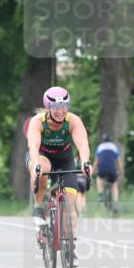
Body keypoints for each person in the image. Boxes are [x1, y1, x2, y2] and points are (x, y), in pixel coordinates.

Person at [24, 86, 92, 228]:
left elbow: (83, 144)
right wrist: (36, 165)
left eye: (64, 106)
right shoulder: (38, 122)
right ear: (48, 107)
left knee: (69, 204)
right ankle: (38, 207)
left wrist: (86, 163)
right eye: (55, 107)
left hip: (64, 159)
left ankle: (69, 246)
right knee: (43, 169)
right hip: (41, 156)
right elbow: (34, 146)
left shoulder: (73, 121)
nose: (61, 111)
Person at [94, 133, 123, 211]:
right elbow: (119, 161)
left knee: (99, 178)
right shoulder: (114, 147)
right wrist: (121, 171)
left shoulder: (99, 147)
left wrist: (94, 170)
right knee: (114, 185)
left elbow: (97, 161)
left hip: (102, 168)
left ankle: (100, 194)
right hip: (112, 168)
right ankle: (116, 204)